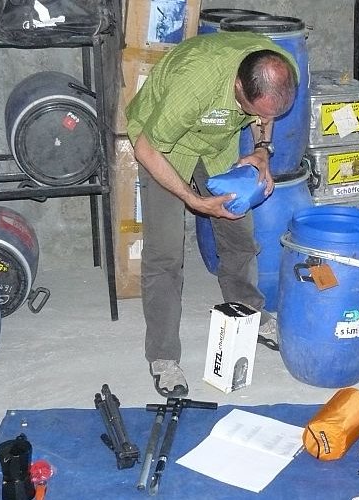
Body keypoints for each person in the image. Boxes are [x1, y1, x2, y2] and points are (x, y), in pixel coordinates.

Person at [126, 32, 299, 398]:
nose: (260, 117)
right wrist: (195, 201)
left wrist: (262, 151)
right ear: (238, 83)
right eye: (254, 110)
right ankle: (163, 356)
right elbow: (146, 148)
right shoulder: (196, 84)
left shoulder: (280, 67)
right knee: (165, 254)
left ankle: (249, 314)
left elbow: (264, 112)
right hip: (164, 146)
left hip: (217, 142)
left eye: (266, 113)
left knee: (239, 235)